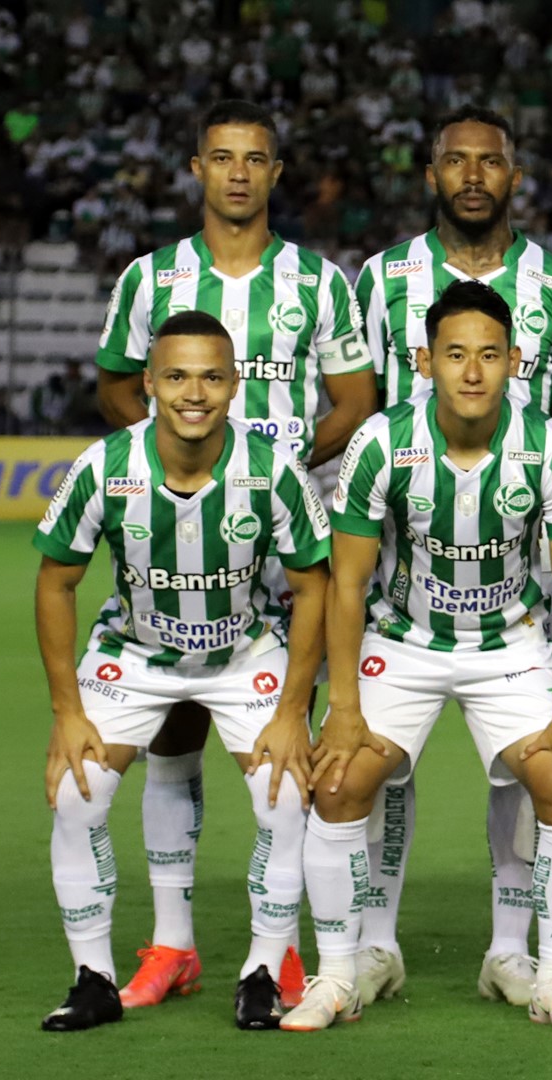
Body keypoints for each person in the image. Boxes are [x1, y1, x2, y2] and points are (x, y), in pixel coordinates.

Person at [93, 100, 375, 1012]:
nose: (240, 173)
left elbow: (355, 397)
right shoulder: (150, 279)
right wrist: (184, 468)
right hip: (176, 534)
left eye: (256, 158)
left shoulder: (318, 284)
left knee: (284, 739)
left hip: (288, 537)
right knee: (171, 721)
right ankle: (172, 944)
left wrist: (277, 474)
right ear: (196, 169)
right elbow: (111, 384)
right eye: (223, 158)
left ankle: (278, 951)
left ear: (277, 173)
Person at [284, 281, 552, 1032]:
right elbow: (349, 582)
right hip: (403, 642)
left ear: (515, 362)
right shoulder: (382, 441)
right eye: (455, 354)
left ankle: (549, 977)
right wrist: (345, 709)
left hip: (511, 645)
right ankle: (337, 977)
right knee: (336, 784)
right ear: (424, 360)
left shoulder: (549, 446)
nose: (471, 371)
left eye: (489, 355)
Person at [351, 104, 552, 1010]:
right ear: (430, 174)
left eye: (487, 162)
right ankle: (371, 946)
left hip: (521, 583)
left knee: (530, 772)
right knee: (374, 765)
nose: (471, 176)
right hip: (399, 578)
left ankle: (513, 951)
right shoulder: (380, 281)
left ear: (514, 175)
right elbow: (361, 402)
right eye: (453, 161)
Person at [34, 311, 331, 1032]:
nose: (193, 392)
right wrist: (68, 714)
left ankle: (263, 970)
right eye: (175, 376)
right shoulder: (104, 466)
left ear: (234, 386)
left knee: (285, 795)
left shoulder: (272, 473)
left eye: (210, 376)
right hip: (133, 655)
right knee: (77, 796)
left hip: (242, 655)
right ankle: (94, 978)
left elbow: (315, 587)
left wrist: (294, 712)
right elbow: (56, 584)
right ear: (148, 384)